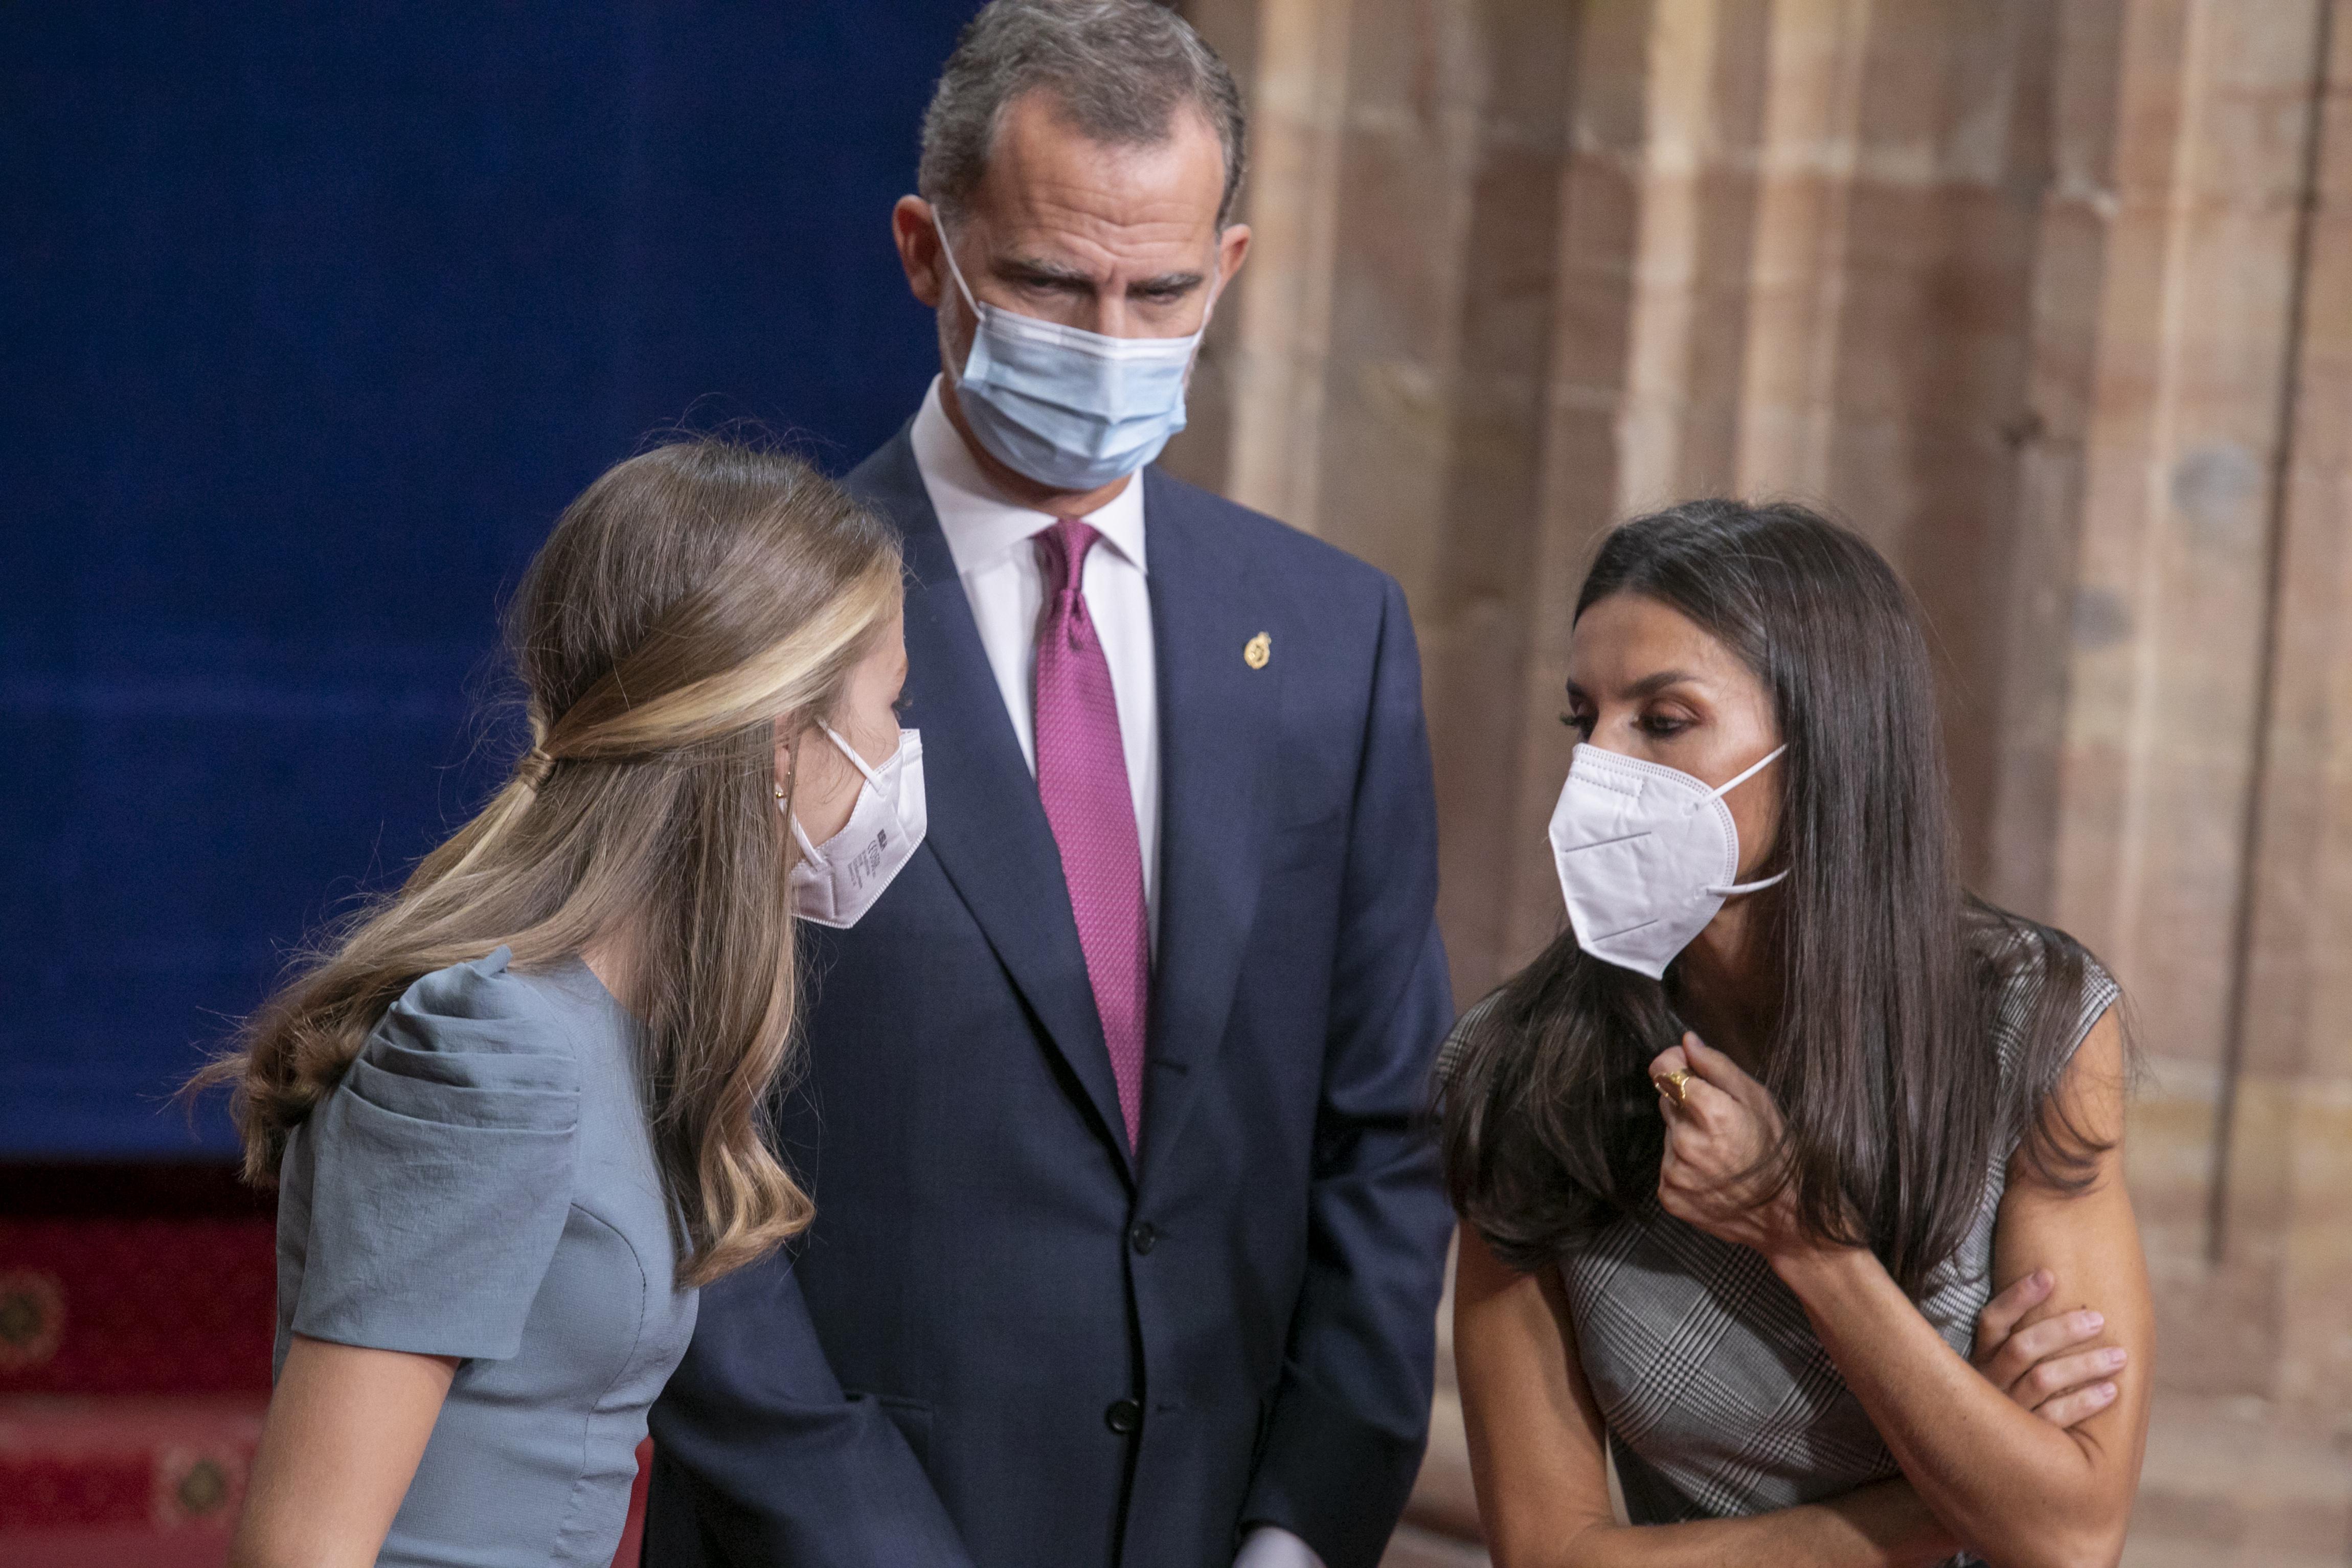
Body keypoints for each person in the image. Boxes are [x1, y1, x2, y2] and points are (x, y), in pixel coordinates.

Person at [644, 4, 1455, 1566]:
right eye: (1045, 282)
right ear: (924, 251)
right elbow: (680, 1144)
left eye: (1157, 291)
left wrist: (1305, 1523)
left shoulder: (1337, 633)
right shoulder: (748, 619)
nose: (1105, 337)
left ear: (1227, 267)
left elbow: (1389, 1128)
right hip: (842, 1535)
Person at [194, 439, 922, 1568]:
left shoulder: (611, 1030)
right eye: (889, 703)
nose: (898, 753)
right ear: (783, 742)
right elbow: (304, 1549)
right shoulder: (491, 1046)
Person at [1439, 500, 2154, 1567]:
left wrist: (1807, 1245)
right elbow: (1548, 1557)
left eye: (1662, 719)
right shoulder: (1521, 1072)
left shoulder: (2031, 1024)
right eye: (1581, 716)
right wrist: (1956, 1480)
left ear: (1827, 738)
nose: (1597, 766)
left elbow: (2076, 1534)